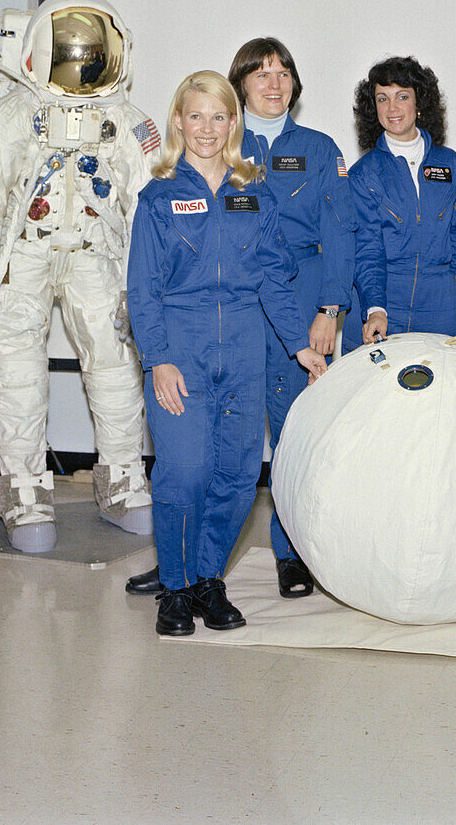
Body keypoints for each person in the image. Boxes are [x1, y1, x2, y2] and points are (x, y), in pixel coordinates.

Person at [126, 71, 326, 636]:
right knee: (184, 472)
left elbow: (272, 279)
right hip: (180, 349)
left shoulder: (253, 192)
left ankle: (209, 580)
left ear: (234, 123)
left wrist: (298, 346)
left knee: (237, 476)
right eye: (196, 116)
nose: (207, 128)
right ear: (178, 122)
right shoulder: (159, 197)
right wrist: (157, 359)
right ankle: (176, 586)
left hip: (244, 347)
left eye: (219, 116)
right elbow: (141, 290)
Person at [0, 0, 154, 553]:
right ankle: (23, 490)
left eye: (93, 52)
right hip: (23, 258)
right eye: (70, 52)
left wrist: (142, 288)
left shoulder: (128, 122)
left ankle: (121, 478)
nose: (82, 64)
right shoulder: (12, 116)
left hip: (97, 254)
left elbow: (149, 203)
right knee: (17, 373)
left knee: (115, 365)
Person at [231, 37, 355, 598]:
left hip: (305, 295)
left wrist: (330, 310)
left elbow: (339, 236)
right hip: (235, 302)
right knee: (227, 437)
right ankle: (198, 560)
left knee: (296, 432)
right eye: (261, 74)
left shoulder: (320, 148)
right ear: (241, 84)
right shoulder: (220, 144)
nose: (274, 84)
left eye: (283, 73)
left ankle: (293, 554)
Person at [343, 56, 456, 350]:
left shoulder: (451, 165)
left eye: (402, 97)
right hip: (386, 305)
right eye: (382, 98)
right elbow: (367, 247)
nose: (392, 108)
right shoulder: (364, 173)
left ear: (420, 103)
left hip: (442, 305)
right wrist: (375, 308)